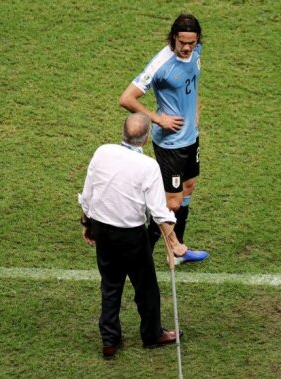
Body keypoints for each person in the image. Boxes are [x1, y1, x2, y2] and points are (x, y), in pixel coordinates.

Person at [79, 113, 204, 359]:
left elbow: (88, 192)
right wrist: (175, 244)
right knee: (145, 286)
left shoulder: (102, 151)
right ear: (146, 139)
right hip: (131, 235)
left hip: (103, 229)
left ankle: (109, 341)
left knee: (110, 285)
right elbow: (159, 213)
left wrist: (87, 224)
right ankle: (152, 334)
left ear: (123, 132)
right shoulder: (148, 166)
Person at [119, 14, 207, 264]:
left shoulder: (197, 51)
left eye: (192, 42)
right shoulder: (161, 64)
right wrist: (158, 119)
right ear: (173, 38)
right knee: (172, 203)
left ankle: (176, 254)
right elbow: (126, 98)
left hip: (191, 138)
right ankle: (141, 254)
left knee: (188, 188)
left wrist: (196, 114)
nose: (187, 47)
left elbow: (194, 82)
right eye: (182, 42)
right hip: (170, 144)